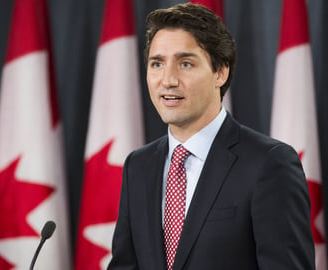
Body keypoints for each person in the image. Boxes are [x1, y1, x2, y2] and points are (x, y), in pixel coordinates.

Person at [108, 3, 315, 269]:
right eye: (157, 63)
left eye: (185, 63)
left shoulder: (269, 164)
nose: (168, 80)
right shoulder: (138, 166)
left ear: (220, 72)